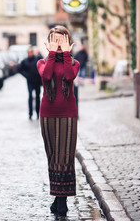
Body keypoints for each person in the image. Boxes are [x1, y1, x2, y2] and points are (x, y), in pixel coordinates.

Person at [37, 25, 80, 216]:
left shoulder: (74, 63)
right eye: (55, 40)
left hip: (68, 115)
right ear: (49, 43)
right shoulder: (42, 62)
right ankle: (58, 198)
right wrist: (52, 53)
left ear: (68, 42)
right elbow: (47, 75)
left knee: (65, 157)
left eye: (62, 40)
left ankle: (61, 202)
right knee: (53, 156)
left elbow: (69, 76)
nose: (58, 44)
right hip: (47, 115)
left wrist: (67, 54)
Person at [18, 47, 42, 120]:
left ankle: (38, 112)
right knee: (30, 97)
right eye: (29, 52)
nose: (30, 53)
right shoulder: (25, 61)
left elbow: (42, 63)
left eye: (31, 52)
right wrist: (26, 76)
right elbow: (20, 69)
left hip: (37, 81)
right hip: (30, 81)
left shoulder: (37, 59)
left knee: (38, 96)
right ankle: (30, 113)